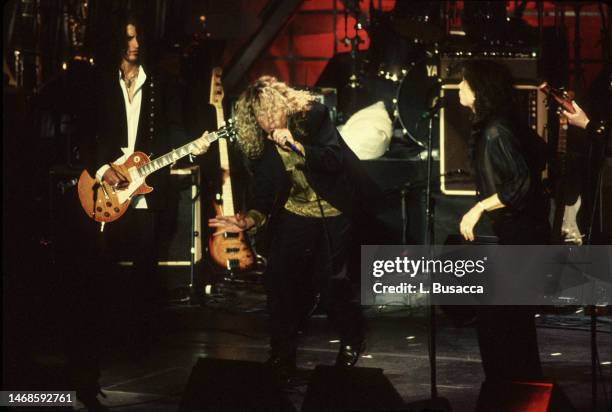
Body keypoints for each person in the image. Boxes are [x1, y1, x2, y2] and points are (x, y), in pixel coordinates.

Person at [70, 15, 210, 410]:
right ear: (115, 40)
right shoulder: (98, 82)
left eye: (138, 37)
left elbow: (174, 130)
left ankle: (132, 345)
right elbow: (83, 135)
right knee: (96, 282)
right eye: (128, 38)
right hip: (104, 193)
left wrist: (193, 145)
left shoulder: (161, 84)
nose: (135, 44)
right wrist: (102, 169)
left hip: (147, 196)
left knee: (144, 275)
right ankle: (86, 377)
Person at [208, 76, 371, 380]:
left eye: (272, 112)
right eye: (261, 116)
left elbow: (333, 159)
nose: (269, 121)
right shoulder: (258, 142)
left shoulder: (314, 117)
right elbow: (264, 191)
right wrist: (250, 219)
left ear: (284, 105)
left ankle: (351, 336)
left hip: (334, 208)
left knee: (331, 284)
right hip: (295, 210)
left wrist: (295, 144)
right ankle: (281, 355)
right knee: (278, 280)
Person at [456, 60, 549, 380]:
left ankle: (514, 389)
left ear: (479, 90)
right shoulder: (501, 124)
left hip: (521, 238)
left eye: (464, 83)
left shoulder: (496, 131)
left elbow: (521, 183)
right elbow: (541, 156)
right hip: (521, 235)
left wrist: (479, 207)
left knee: (503, 322)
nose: (458, 88)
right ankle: (517, 388)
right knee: (509, 321)